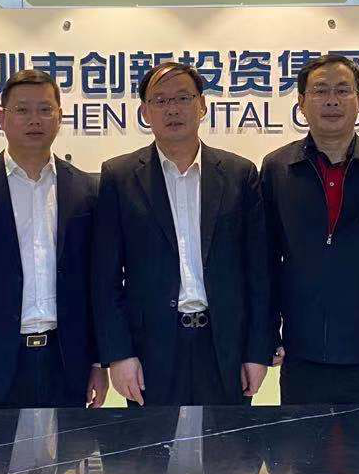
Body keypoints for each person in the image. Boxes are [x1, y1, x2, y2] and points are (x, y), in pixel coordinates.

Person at [92, 62, 273, 407]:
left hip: (224, 348)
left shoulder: (239, 174)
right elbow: (105, 277)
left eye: (183, 98)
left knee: (227, 442)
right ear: (145, 112)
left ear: (202, 105)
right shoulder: (120, 176)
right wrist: (119, 354)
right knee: (153, 442)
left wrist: (257, 351)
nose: (172, 108)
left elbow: (259, 273)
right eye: (160, 100)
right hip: (150, 350)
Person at [0, 69, 107, 410]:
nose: (34, 119)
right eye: (22, 110)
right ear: (2, 118)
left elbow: (96, 284)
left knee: (66, 447)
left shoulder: (85, 189)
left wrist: (99, 362)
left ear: (59, 117)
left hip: (66, 363)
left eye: (45, 109)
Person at [259, 54, 359, 405]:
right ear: (301, 103)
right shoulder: (277, 168)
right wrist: (266, 332)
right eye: (320, 91)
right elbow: (264, 261)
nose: (332, 100)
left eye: (343, 90)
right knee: (301, 440)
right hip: (301, 350)